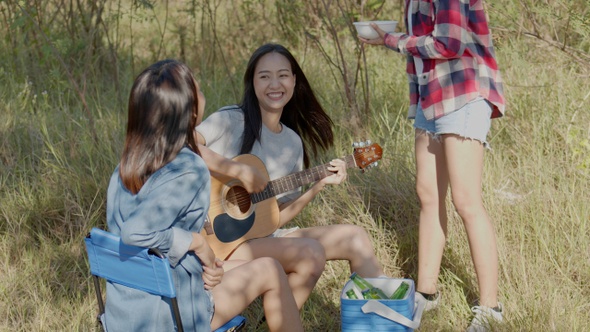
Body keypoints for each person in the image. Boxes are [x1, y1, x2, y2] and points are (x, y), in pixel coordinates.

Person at [104, 59, 303, 332]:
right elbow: (136, 233)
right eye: (197, 89)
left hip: (123, 315)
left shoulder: (126, 165)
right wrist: (197, 242)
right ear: (189, 110)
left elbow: (144, 242)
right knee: (270, 269)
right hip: (170, 316)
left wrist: (208, 261)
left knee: (244, 267)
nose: (202, 90)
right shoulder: (189, 167)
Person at [195, 43, 386, 309]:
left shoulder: (292, 143)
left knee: (355, 237)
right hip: (214, 240)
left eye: (283, 75)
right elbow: (181, 145)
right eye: (264, 76)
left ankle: (382, 319)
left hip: (257, 238)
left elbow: (275, 219)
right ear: (252, 82)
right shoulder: (230, 120)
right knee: (310, 252)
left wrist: (317, 186)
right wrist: (236, 170)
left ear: (294, 81)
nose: (275, 84)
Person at [359, 1, 506, 331]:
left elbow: (448, 44)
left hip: (464, 93)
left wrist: (392, 40)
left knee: (466, 201)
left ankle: (491, 307)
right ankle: (426, 293)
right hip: (433, 97)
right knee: (427, 193)